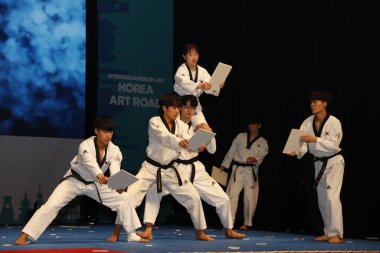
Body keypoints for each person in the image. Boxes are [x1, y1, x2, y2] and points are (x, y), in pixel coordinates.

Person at [15, 115, 144, 245]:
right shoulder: (85, 146)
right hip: (74, 180)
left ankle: (131, 234)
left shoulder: (115, 150)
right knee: (52, 205)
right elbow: (91, 165)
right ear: (96, 131)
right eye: (105, 131)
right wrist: (101, 177)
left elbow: (115, 171)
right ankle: (24, 236)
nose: (108, 135)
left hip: (94, 184)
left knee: (124, 198)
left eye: (110, 131)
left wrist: (118, 184)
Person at [136, 95, 246, 241]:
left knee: (223, 198)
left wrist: (207, 132)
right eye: (185, 107)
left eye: (192, 108)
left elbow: (212, 150)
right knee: (154, 192)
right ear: (180, 109)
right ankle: (148, 229)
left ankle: (228, 229)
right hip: (177, 168)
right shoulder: (173, 125)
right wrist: (187, 142)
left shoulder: (195, 126)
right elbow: (171, 140)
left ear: (195, 111)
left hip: (196, 168)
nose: (188, 111)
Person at [107, 93, 213, 242]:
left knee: (193, 197)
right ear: (164, 108)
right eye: (173, 108)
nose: (177, 111)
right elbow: (164, 137)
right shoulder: (154, 122)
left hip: (171, 170)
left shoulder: (182, 125)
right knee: (129, 196)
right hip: (150, 169)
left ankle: (199, 232)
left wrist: (197, 145)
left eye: (178, 108)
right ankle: (116, 232)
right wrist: (180, 142)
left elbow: (188, 141)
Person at [286, 90, 344, 244]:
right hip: (318, 163)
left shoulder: (334, 122)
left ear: (324, 104)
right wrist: (296, 151)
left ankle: (336, 233)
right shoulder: (306, 122)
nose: (312, 104)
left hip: (333, 162)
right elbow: (303, 144)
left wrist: (315, 139)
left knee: (332, 198)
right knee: (322, 199)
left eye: (316, 101)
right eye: (311, 102)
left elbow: (333, 146)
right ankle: (327, 231)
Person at [220, 118, 269, 230]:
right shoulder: (240, 136)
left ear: (259, 126)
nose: (251, 126)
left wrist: (255, 159)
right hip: (237, 169)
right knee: (231, 195)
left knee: (249, 197)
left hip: (251, 172)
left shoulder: (263, 141)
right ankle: (228, 223)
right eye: (250, 124)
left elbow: (262, 155)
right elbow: (231, 150)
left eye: (253, 124)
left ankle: (246, 223)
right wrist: (224, 164)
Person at [173, 42, 225, 126]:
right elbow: (183, 82)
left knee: (205, 132)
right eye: (190, 55)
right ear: (184, 57)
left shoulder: (202, 71)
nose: (194, 57)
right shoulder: (181, 70)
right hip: (180, 104)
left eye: (196, 54)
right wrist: (199, 85)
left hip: (194, 105)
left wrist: (217, 86)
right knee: (178, 130)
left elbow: (209, 87)